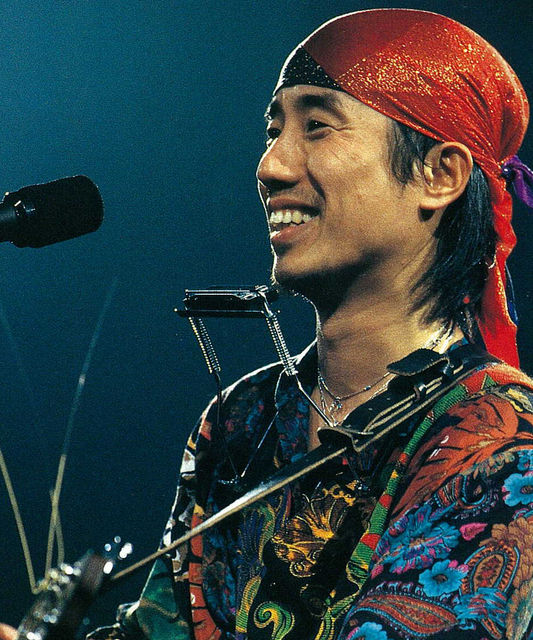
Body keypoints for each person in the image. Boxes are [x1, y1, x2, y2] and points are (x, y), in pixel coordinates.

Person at [4, 8, 533, 640]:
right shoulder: (241, 418)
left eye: (317, 126)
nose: (270, 167)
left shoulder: (501, 442)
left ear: (439, 174)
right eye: (273, 130)